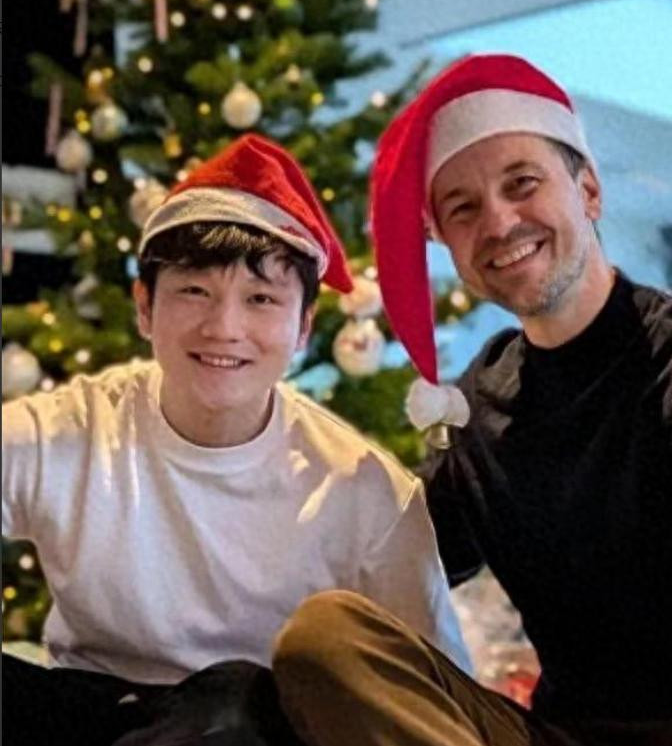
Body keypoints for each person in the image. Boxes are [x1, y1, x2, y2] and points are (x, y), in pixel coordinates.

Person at [2, 134, 471, 746]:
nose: (224, 328)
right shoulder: (70, 429)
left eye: (261, 299)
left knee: (237, 706)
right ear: (145, 307)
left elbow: (436, 694)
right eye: (194, 291)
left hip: (251, 726)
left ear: (303, 327)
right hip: (91, 709)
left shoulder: (363, 490)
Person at [271, 55, 672, 746]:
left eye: (523, 184)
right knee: (326, 636)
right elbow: (383, 558)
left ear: (589, 191)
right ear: (443, 240)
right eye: (463, 208)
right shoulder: (478, 408)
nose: (500, 222)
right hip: (554, 734)